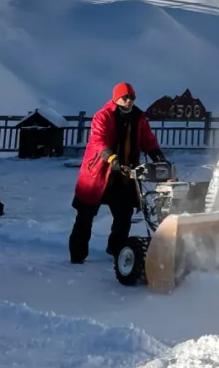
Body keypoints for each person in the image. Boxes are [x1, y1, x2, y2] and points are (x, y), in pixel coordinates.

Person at [69, 83, 163, 264]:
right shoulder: (103, 116)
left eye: (132, 98)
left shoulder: (139, 118)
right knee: (85, 216)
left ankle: (116, 249)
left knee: (124, 216)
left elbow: (148, 140)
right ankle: (77, 255)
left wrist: (158, 157)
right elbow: (98, 140)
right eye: (125, 97)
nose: (128, 101)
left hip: (124, 174)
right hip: (98, 174)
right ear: (116, 98)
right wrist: (112, 158)